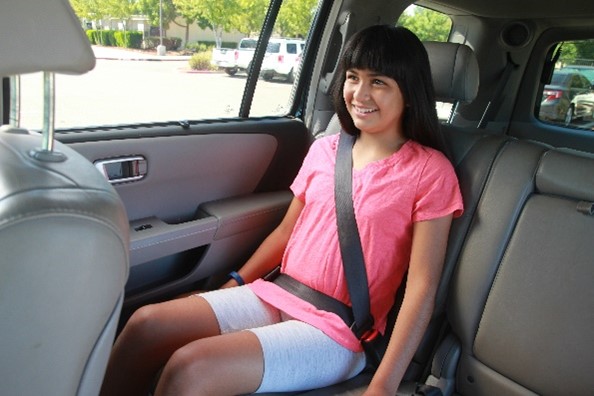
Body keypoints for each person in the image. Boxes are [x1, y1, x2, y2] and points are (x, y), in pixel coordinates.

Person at [100, 25, 463, 396]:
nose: (360, 93)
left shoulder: (430, 171)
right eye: (353, 77)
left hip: (339, 330)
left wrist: (383, 385)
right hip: (276, 293)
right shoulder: (327, 150)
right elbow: (287, 233)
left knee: (190, 369)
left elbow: (422, 286)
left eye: (379, 82)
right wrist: (234, 284)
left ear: (410, 92)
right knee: (146, 324)